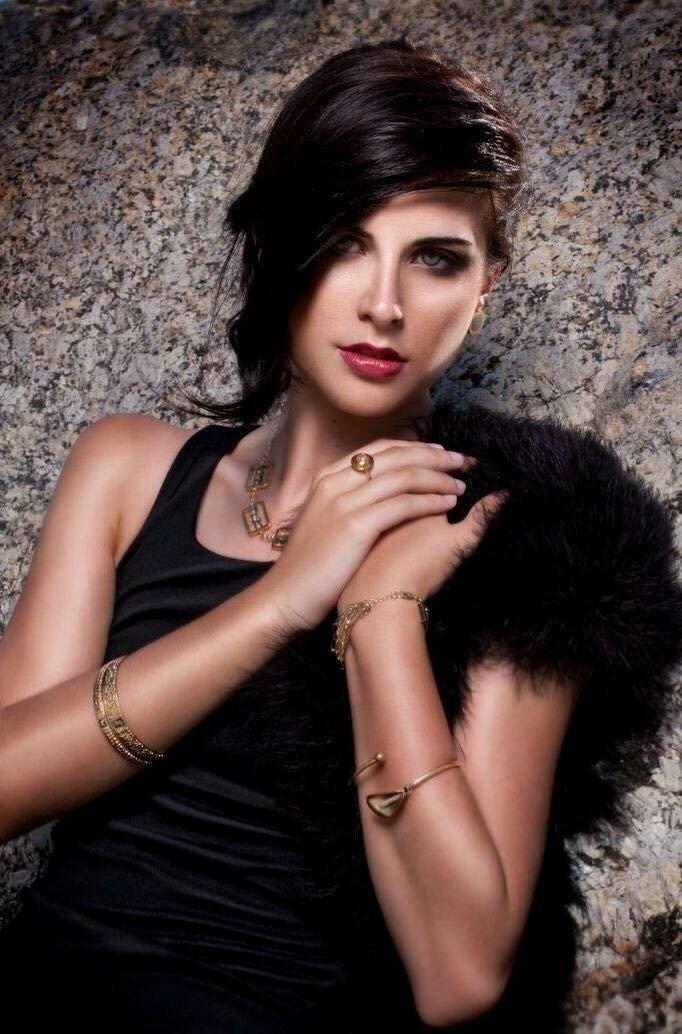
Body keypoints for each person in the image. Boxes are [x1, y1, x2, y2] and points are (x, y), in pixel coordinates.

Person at [0, 36, 679, 1034]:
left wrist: (378, 612)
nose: (384, 304)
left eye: (435, 258)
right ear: (274, 248)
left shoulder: (520, 529)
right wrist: (280, 601)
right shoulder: (129, 469)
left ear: (485, 284)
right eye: (345, 241)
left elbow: (460, 972)